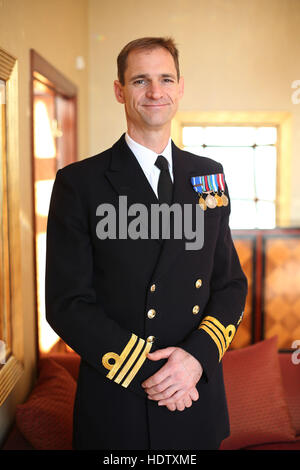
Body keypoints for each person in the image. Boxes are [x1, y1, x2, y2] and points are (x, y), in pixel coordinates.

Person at [45, 37, 247, 450]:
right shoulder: (79, 183)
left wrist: (194, 361)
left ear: (180, 87)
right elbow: (66, 304)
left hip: (195, 396)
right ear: (120, 90)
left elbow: (230, 286)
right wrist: (155, 378)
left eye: (165, 79)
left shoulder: (208, 175)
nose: (155, 92)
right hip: (118, 403)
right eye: (140, 80)